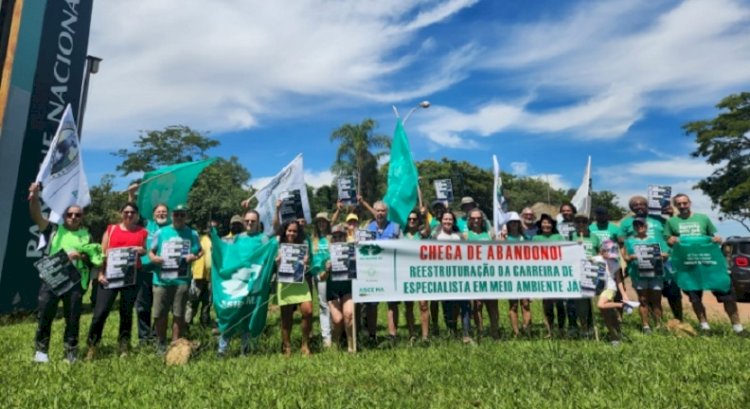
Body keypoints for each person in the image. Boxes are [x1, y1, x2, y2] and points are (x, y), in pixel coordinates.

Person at [29, 182, 102, 363]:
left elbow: (95, 257)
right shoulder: (54, 230)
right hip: (52, 280)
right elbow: (37, 216)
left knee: (72, 318)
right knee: (45, 315)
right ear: (64, 216)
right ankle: (41, 351)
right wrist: (34, 197)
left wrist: (81, 255)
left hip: (75, 282)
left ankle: (70, 352)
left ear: (82, 217)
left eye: (77, 214)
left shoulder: (87, 234)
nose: (73, 217)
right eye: (70, 214)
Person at [664, 194, 746, 335]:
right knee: (695, 298)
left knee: (727, 294)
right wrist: (671, 240)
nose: (682, 206)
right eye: (679, 204)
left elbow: (714, 236)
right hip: (688, 266)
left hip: (710, 263)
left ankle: (738, 328)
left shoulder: (703, 218)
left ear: (690, 203)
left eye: (685, 203)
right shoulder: (671, 222)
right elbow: (668, 240)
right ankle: (704, 327)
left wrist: (717, 239)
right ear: (675, 205)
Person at [86, 202, 148, 359]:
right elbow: (102, 253)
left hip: (130, 279)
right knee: (100, 313)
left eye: (132, 212)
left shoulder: (143, 232)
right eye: (126, 212)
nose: (129, 214)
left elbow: (148, 251)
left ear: (137, 215)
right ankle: (92, 346)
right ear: (121, 213)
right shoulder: (111, 229)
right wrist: (100, 274)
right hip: (109, 278)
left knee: (126, 313)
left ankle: (123, 346)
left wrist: (143, 251)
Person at [148, 204, 203, 354]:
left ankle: (175, 343)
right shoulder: (161, 233)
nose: (178, 217)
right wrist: (155, 258)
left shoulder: (193, 234)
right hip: (161, 280)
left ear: (186, 216)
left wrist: (194, 256)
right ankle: (160, 343)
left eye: (182, 215)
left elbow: (200, 251)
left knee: (179, 314)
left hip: (181, 280)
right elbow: (150, 252)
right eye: (176, 214)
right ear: (172, 216)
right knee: (159, 314)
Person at [618, 195, 683, 322]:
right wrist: (625, 257)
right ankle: (655, 324)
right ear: (631, 208)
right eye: (635, 205)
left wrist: (671, 215)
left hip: (666, 263)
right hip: (641, 265)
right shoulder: (626, 223)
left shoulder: (659, 219)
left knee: (673, 294)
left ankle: (679, 322)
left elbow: (673, 233)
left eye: (641, 203)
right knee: (648, 297)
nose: (638, 206)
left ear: (647, 205)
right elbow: (621, 242)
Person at [217, 209, 269, 356]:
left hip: (253, 284)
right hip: (236, 283)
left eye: (253, 221)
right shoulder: (237, 239)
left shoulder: (263, 239)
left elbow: (269, 254)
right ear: (243, 221)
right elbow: (227, 255)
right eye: (247, 221)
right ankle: (222, 349)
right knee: (231, 313)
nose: (250, 223)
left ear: (258, 222)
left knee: (248, 314)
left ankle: (245, 350)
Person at [364, 200, 401, 343]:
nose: (380, 213)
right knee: (372, 304)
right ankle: (372, 336)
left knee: (392, 304)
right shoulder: (367, 229)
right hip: (372, 272)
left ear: (387, 212)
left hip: (391, 271)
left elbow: (404, 247)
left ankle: (392, 335)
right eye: (378, 211)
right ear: (374, 212)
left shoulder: (396, 228)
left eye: (383, 211)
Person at [625, 217, 669, 334]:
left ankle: (659, 325)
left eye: (641, 224)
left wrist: (660, 255)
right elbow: (625, 256)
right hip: (638, 275)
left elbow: (666, 254)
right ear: (634, 227)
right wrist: (631, 257)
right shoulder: (629, 241)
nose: (639, 227)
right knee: (643, 300)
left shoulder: (656, 239)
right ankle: (645, 326)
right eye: (636, 225)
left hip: (655, 274)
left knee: (656, 300)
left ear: (646, 226)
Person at [275, 220, 313, 356]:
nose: (292, 233)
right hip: (284, 283)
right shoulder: (278, 244)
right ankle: (287, 347)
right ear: (285, 231)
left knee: (308, 312)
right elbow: (272, 265)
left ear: (298, 232)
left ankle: (305, 344)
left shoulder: (303, 245)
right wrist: (277, 262)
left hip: (299, 282)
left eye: (295, 231)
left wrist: (306, 263)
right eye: (289, 230)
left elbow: (307, 265)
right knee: (286, 318)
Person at [435, 210, 473, 344]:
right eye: (445, 219)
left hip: (460, 276)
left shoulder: (460, 236)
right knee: (448, 306)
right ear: (441, 221)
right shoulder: (436, 237)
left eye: (450, 219)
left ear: (453, 222)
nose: (447, 222)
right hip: (443, 277)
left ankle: (466, 334)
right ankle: (452, 332)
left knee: (465, 305)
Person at [463, 208, 499, 340]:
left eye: (478, 218)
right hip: (474, 274)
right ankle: (480, 332)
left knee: (492, 304)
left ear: (482, 219)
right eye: (473, 218)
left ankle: (495, 331)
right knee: (477, 305)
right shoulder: (466, 236)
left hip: (490, 273)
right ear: (470, 220)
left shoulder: (490, 234)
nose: (476, 220)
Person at [320, 224, 355, 352]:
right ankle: (336, 343)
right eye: (335, 236)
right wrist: (327, 270)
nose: (338, 238)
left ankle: (352, 347)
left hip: (348, 288)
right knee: (338, 320)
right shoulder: (325, 253)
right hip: (332, 290)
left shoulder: (352, 250)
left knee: (349, 314)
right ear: (332, 239)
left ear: (345, 237)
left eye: (341, 236)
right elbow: (321, 278)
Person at [595, 240, 636, 346]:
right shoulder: (595, 259)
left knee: (601, 305)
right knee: (606, 314)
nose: (610, 255)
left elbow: (618, 280)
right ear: (602, 250)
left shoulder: (615, 263)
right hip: (597, 288)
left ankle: (623, 304)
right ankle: (614, 336)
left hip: (609, 288)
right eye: (608, 252)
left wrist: (624, 294)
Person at [532, 214, 565, 338]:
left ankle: (561, 329)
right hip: (543, 275)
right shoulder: (536, 238)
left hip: (558, 274)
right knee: (547, 304)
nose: (546, 225)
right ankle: (549, 330)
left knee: (560, 304)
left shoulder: (559, 237)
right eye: (544, 223)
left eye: (549, 223)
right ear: (540, 225)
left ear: (553, 225)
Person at [403, 209, 431, 341]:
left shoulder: (422, 235)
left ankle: (425, 336)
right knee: (408, 306)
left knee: (424, 305)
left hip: (421, 274)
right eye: (409, 219)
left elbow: (428, 230)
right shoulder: (401, 236)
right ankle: (412, 334)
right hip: (406, 274)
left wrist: (425, 216)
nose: (412, 221)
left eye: (414, 219)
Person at [503, 212, 532, 337]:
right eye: (511, 222)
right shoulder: (504, 238)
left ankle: (526, 328)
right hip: (510, 275)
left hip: (524, 274)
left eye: (516, 222)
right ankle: (516, 332)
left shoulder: (525, 238)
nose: (514, 225)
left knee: (525, 304)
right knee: (513, 305)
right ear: (508, 224)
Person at [310, 212, 333, 347]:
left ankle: (336, 331)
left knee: (333, 304)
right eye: (319, 222)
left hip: (332, 275)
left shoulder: (332, 237)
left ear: (328, 223)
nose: (321, 224)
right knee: (323, 305)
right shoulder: (312, 239)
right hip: (318, 276)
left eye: (323, 221)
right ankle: (326, 337)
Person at [185, 221, 214, 330]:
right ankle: (186, 325)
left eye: (214, 229)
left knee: (207, 303)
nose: (212, 230)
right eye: (210, 228)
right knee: (193, 302)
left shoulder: (216, 241)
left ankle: (204, 325)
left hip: (210, 277)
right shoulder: (201, 239)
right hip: (198, 276)